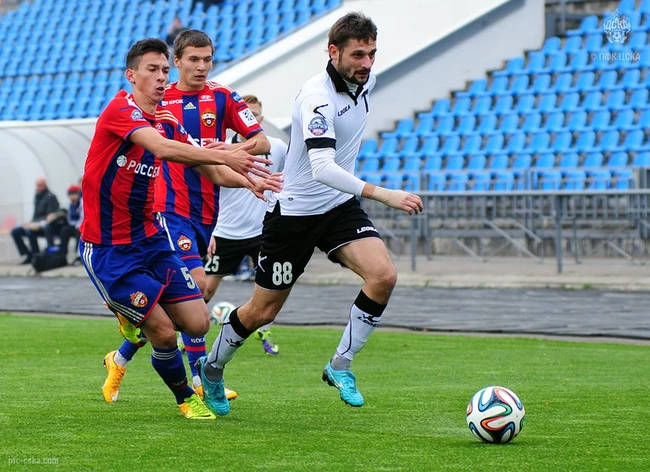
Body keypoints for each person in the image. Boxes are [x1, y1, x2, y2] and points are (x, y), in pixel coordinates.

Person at [196, 12, 423, 416]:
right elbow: (322, 168)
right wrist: (384, 194)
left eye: (372, 54)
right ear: (333, 52)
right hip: (294, 215)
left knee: (383, 275)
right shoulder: (316, 98)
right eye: (358, 55)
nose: (367, 63)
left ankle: (341, 365)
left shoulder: (366, 81)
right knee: (262, 311)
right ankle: (211, 369)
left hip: (337, 207)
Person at [80, 37, 273, 420]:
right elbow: (165, 149)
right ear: (131, 75)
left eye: (164, 70)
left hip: (150, 238)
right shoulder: (122, 109)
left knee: (198, 321)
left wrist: (246, 178)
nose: (160, 77)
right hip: (109, 246)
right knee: (165, 332)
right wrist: (227, 154)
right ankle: (187, 396)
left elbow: (203, 163)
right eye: (152, 69)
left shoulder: (168, 119)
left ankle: (129, 326)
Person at [203, 94, 287, 356]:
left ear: (261, 119)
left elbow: (288, 180)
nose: (252, 120)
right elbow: (208, 190)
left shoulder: (278, 147)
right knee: (205, 289)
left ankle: (265, 332)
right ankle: (189, 334)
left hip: (263, 231)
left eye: (256, 115)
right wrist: (209, 230)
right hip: (225, 232)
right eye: (247, 115)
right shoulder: (220, 151)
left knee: (268, 290)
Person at [11, 177, 61, 264]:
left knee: (29, 231)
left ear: (45, 185)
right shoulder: (37, 197)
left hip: (45, 226)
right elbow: (36, 214)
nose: (38, 187)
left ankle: (36, 256)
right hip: (35, 223)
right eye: (37, 185)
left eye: (41, 185)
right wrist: (30, 222)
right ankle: (27, 254)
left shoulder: (51, 197)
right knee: (15, 232)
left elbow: (50, 216)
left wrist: (33, 224)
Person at [58, 184, 83, 263]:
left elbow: (83, 217)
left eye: (74, 194)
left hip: (82, 225)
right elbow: (70, 219)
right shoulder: (71, 205)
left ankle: (78, 255)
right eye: (70, 194)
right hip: (74, 225)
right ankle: (63, 254)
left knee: (78, 231)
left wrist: (77, 225)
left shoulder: (82, 202)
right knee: (64, 230)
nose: (72, 196)